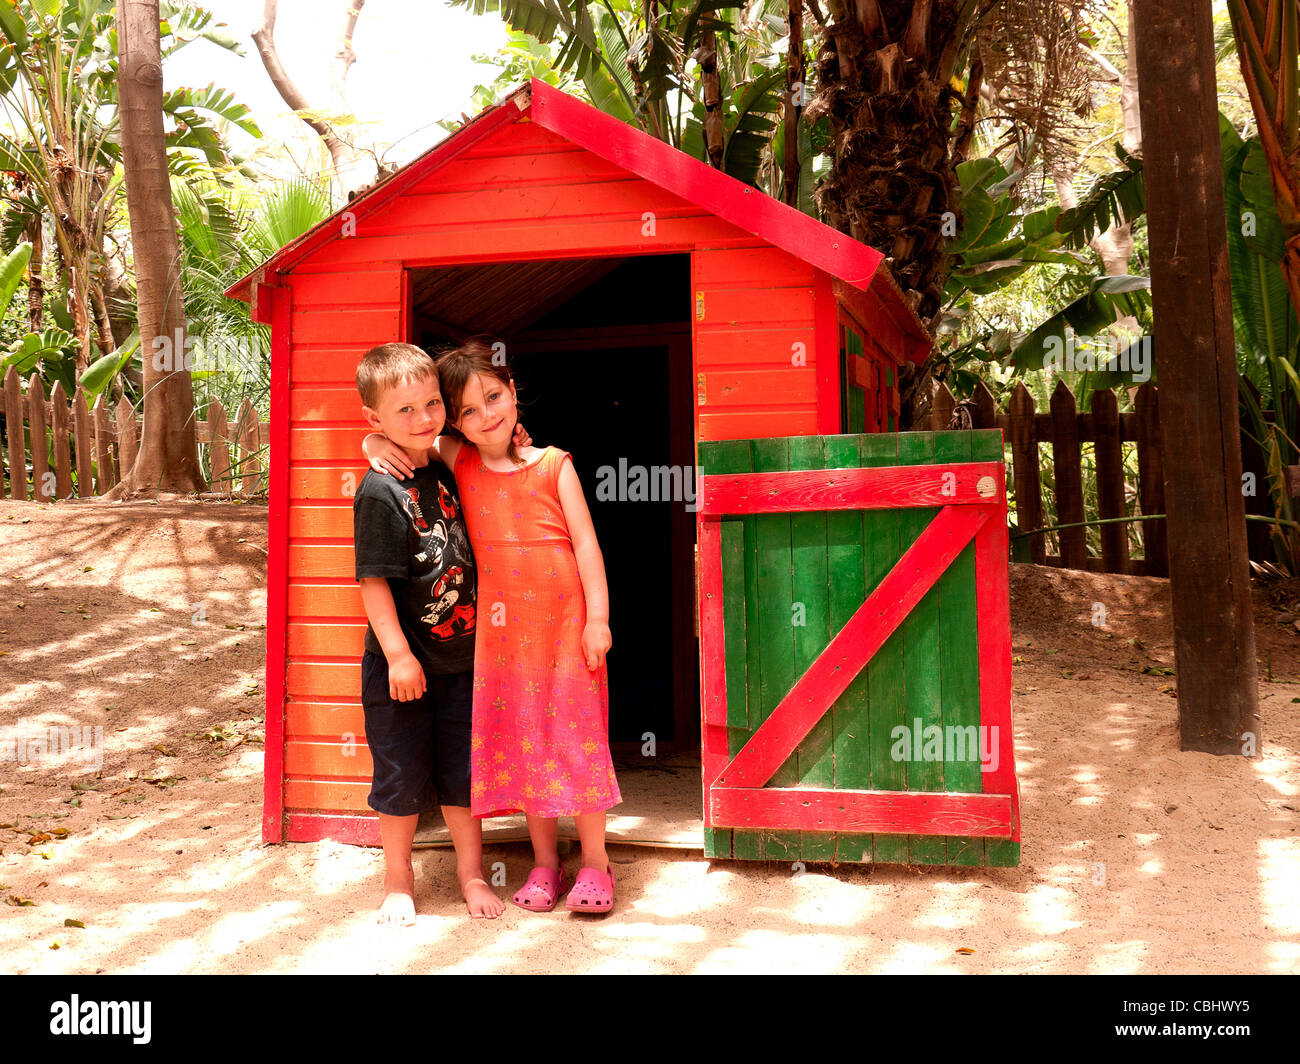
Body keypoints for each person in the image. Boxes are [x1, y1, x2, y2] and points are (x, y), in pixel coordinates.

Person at [363, 337, 621, 913]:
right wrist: (373, 438)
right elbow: (414, 434)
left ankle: (598, 864)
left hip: (566, 631)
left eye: (495, 397)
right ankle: (547, 864)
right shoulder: (464, 463)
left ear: (513, 392)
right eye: (469, 412)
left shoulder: (556, 464)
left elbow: (586, 544)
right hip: (504, 643)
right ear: (456, 423)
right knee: (532, 747)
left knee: (576, 743)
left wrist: (598, 619)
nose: (487, 416)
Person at [352, 341, 511, 924]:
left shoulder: (446, 466)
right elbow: (372, 582)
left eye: (430, 405)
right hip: (403, 666)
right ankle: (399, 880)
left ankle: (472, 876)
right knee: (397, 775)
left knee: (461, 777)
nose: (422, 419)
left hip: (462, 663)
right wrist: (397, 655)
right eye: (404, 412)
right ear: (374, 420)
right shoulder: (379, 491)